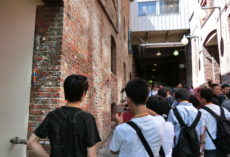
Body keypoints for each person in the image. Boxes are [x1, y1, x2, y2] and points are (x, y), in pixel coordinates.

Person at [27, 74, 101, 157]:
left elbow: (31, 142)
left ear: (65, 91)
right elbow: (91, 154)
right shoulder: (87, 119)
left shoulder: (52, 115)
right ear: (83, 94)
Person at [110, 78, 165, 157]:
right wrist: (143, 108)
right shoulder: (160, 121)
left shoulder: (121, 129)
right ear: (146, 98)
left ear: (128, 99)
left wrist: (119, 124)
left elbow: (114, 151)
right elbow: (157, 115)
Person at [167, 88, 205, 155]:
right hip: (194, 148)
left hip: (178, 148)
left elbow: (170, 131)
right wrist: (200, 148)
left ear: (178, 99)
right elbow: (202, 132)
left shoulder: (173, 111)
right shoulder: (198, 112)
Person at [197, 88, 230, 157]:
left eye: (199, 96)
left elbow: (202, 132)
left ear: (204, 99)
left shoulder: (201, 112)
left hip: (209, 145)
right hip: (223, 144)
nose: (198, 98)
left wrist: (200, 149)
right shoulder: (222, 109)